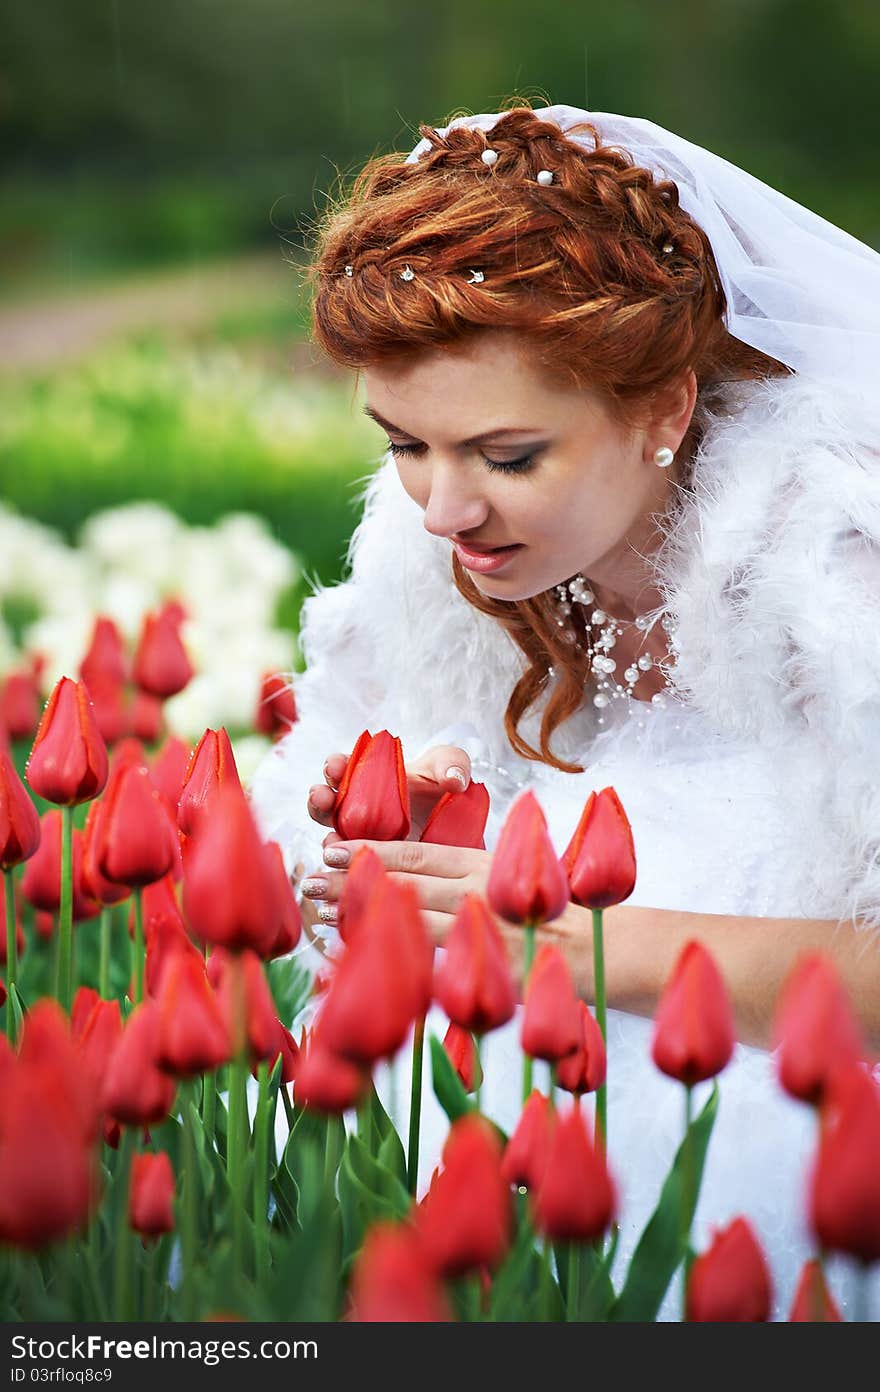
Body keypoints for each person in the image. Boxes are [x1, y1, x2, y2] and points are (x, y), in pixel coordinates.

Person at [249, 102, 880, 1318]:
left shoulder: (833, 577)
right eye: (402, 445)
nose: (440, 509)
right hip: (495, 1101)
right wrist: (417, 821)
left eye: (506, 454)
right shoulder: (436, 560)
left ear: (663, 411)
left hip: (776, 1123)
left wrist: (560, 939)